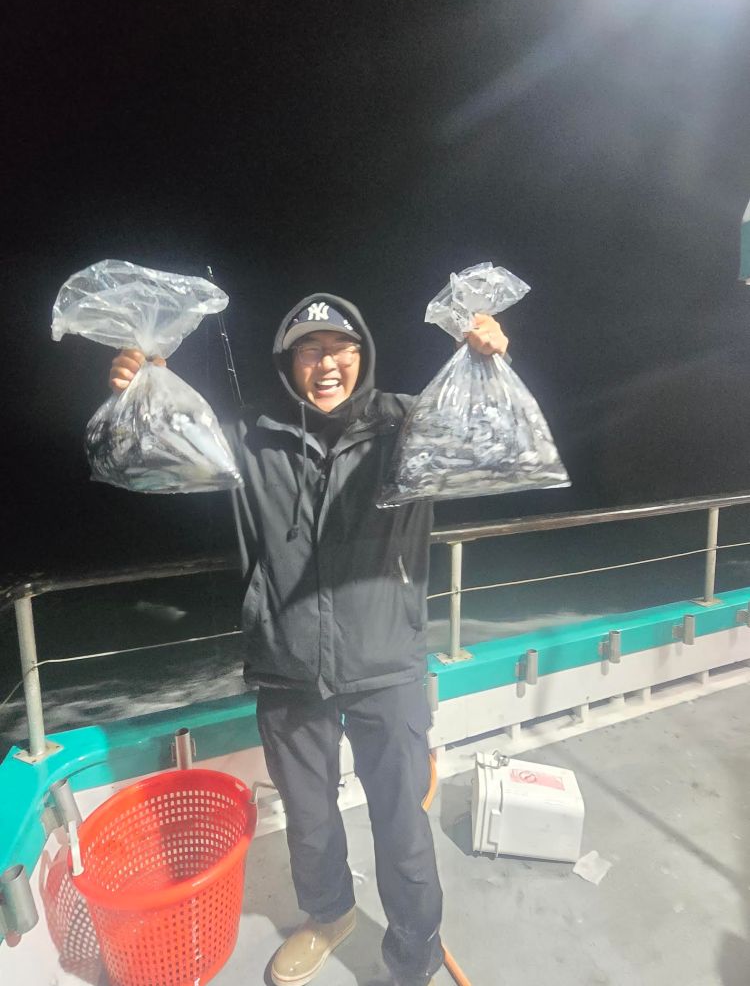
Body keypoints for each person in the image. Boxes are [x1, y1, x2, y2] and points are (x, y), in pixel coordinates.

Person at [109, 293, 508, 986]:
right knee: (309, 818)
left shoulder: (409, 425)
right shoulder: (250, 439)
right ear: (288, 363)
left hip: (387, 663)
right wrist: (141, 391)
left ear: (362, 354)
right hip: (287, 664)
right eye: (309, 350)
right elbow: (154, 460)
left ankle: (414, 954)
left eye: (340, 348)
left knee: (403, 826)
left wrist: (488, 365)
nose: (326, 363)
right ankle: (328, 915)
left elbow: (494, 443)